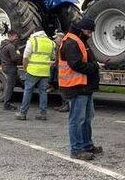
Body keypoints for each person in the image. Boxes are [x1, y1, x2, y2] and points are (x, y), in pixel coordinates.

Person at [59, 17, 102, 161]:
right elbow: (76, 65)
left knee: (86, 118)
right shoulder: (72, 42)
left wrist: (94, 65)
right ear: (83, 29)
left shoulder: (79, 40)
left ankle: (87, 145)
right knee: (77, 120)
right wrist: (95, 67)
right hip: (76, 86)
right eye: (89, 31)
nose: (90, 34)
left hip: (84, 86)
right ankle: (77, 149)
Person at [16, 30, 55, 121]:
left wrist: (26, 68)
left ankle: (23, 113)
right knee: (43, 92)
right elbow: (53, 57)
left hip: (33, 71)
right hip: (45, 72)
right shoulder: (51, 43)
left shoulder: (32, 41)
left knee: (28, 91)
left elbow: (25, 57)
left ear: (34, 31)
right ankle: (43, 114)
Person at [1, 29, 21, 111]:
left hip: (6, 67)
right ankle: (7, 104)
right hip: (11, 68)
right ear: (10, 36)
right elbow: (14, 58)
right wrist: (20, 55)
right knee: (10, 86)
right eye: (16, 36)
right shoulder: (11, 46)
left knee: (19, 82)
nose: (17, 38)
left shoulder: (4, 45)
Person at [51, 32, 70, 113]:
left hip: (65, 72)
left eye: (56, 38)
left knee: (65, 89)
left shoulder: (64, 47)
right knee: (61, 89)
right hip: (61, 71)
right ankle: (64, 104)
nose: (55, 40)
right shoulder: (59, 47)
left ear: (61, 38)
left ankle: (67, 105)